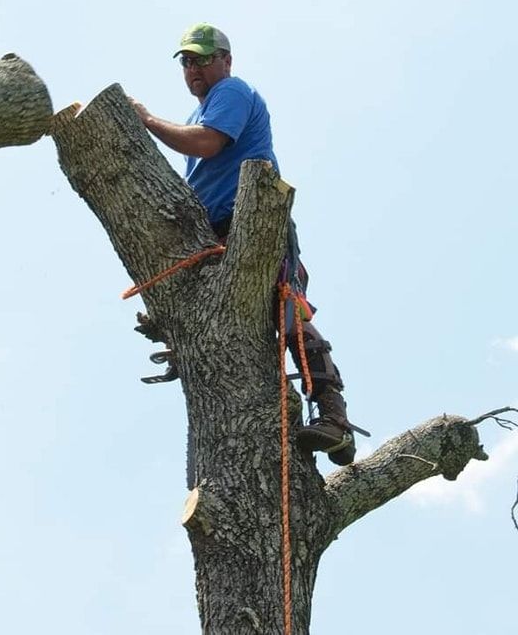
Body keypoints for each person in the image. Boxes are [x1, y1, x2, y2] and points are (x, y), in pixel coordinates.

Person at [130, 23, 364, 466]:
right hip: (217, 231)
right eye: (186, 61)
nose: (194, 67)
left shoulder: (232, 92)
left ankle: (334, 418)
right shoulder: (203, 110)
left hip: (249, 220)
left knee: (287, 309)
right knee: (244, 324)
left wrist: (145, 119)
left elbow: (207, 144)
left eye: (202, 58)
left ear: (226, 60)